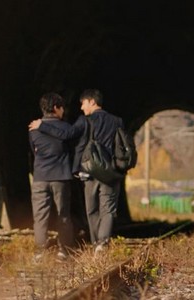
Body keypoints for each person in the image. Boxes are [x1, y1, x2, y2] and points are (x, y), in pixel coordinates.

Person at [29, 89, 123, 255]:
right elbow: (122, 145)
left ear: (92, 102)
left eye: (83, 103)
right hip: (108, 172)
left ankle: (94, 244)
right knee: (106, 209)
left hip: (88, 171)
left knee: (91, 210)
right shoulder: (117, 121)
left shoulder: (83, 121)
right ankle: (100, 243)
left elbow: (66, 135)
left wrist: (42, 126)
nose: (81, 107)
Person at [29, 92, 74, 261]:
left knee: (39, 216)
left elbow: (34, 151)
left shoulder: (33, 129)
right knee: (63, 214)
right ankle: (63, 251)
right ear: (56, 108)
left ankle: (40, 252)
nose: (63, 111)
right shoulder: (67, 128)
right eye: (62, 108)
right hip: (61, 177)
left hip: (40, 176)